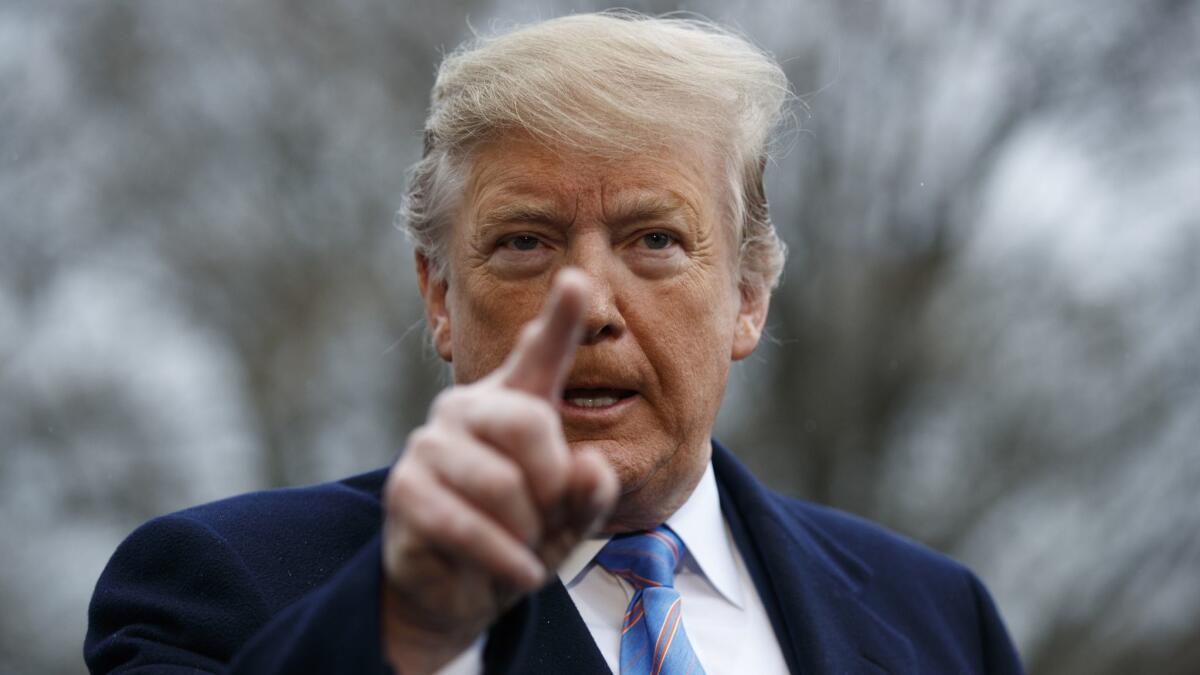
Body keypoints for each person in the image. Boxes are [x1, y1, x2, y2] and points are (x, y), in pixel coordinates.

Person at [85, 12, 1024, 675]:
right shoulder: (215, 593)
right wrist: (407, 632)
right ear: (439, 296)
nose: (587, 305)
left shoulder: (940, 621)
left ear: (747, 294)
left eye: (654, 240)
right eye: (524, 242)